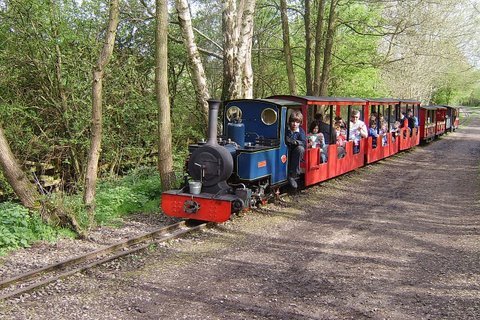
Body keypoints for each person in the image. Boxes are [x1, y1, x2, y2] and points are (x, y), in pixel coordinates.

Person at [285, 110, 306, 188]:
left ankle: (293, 174)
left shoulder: (301, 131)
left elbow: (304, 142)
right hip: (285, 151)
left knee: (300, 149)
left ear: (300, 123)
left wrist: (296, 142)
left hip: (294, 153)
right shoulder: (285, 130)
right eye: (293, 121)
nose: (294, 124)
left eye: (297, 122)